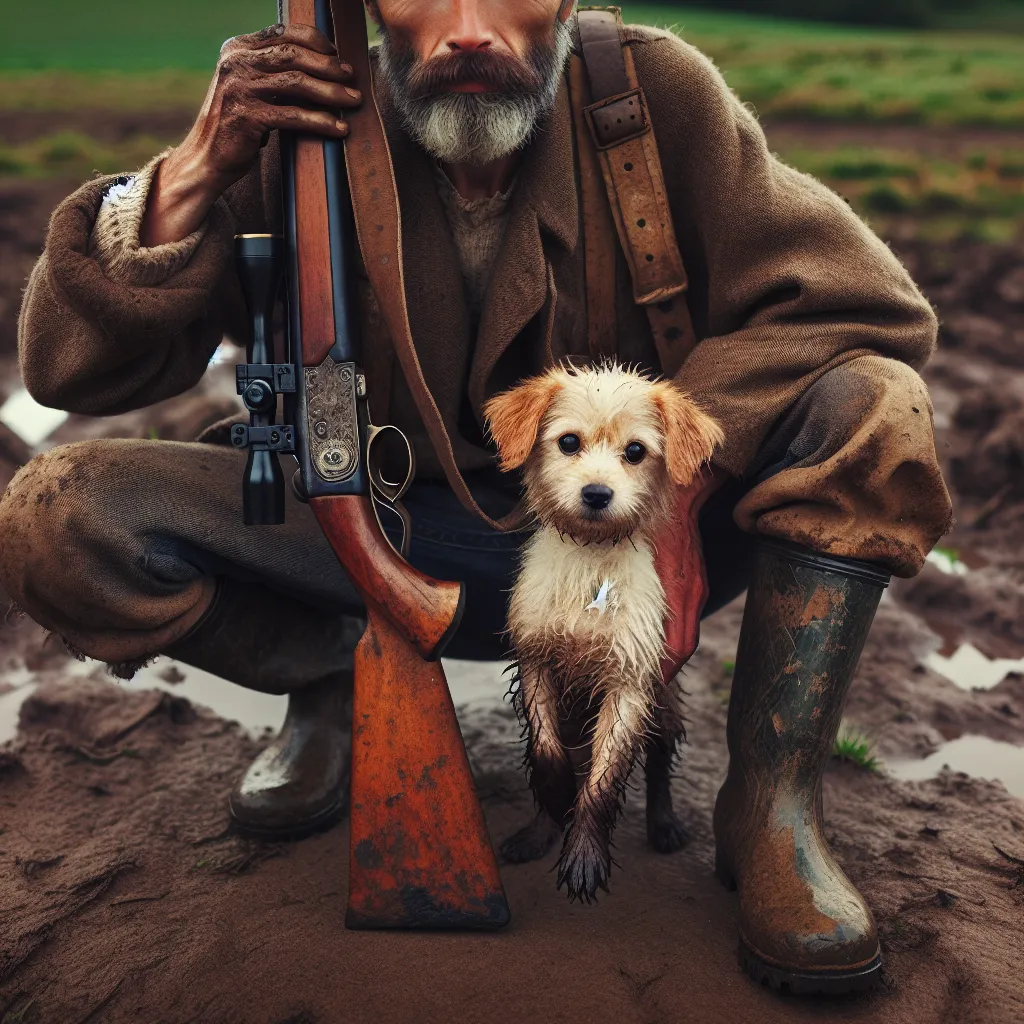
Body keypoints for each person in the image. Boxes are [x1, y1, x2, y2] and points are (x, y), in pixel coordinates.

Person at [0, 0, 950, 993]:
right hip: (371, 538)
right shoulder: (296, 115)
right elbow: (72, 371)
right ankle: (331, 683)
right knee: (57, 517)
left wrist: (681, 462)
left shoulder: (647, 93)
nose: (465, 28)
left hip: (620, 547)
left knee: (875, 404)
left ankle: (770, 810)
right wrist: (190, 173)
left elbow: (868, 302)